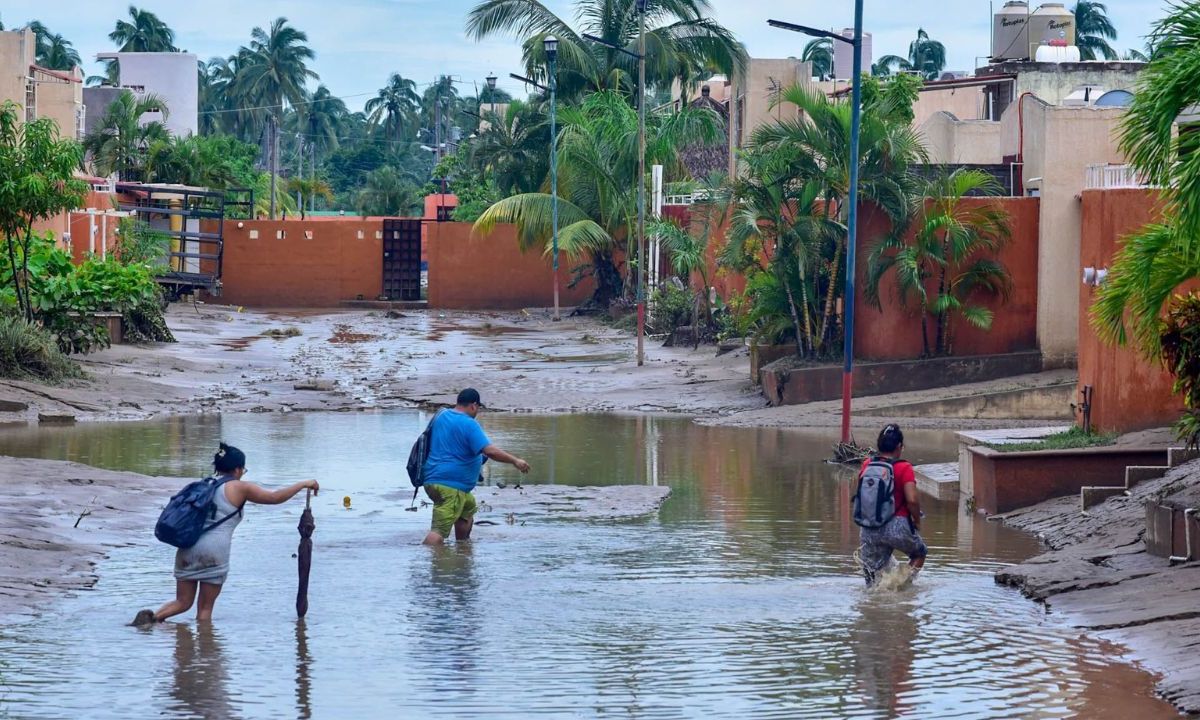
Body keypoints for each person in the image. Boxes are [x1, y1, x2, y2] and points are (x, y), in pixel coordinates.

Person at [133, 443, 319, 625]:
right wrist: (303, 483)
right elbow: (274, 497)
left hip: (186, 549)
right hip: (214, 553)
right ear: (237, 469)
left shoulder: (202, 485)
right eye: (243, 470)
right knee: (204, 611)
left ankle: (153, 619)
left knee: (183, 602)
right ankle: (206, 651)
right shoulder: (239, 488)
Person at [422, 388, 530, 545]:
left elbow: (454, 446)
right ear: (473, 405)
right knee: (438, 531)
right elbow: (490, 451)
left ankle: (462, 549)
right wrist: (515, 461)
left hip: (435, 481)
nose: (477, 411)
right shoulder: (469, 424)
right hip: (450, 487)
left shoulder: (442, 416)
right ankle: (423, 561)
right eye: (478, 408)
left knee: (468, 507)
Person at [857, 424, 926, 586]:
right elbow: (912, 500)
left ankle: (874, 600)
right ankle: (900, 587)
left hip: (869, 527)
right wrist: (916, 520)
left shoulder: (867, 464)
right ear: (899, 446)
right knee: (919, 553)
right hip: (898, 526)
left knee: (871, 574)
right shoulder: (904, 467)